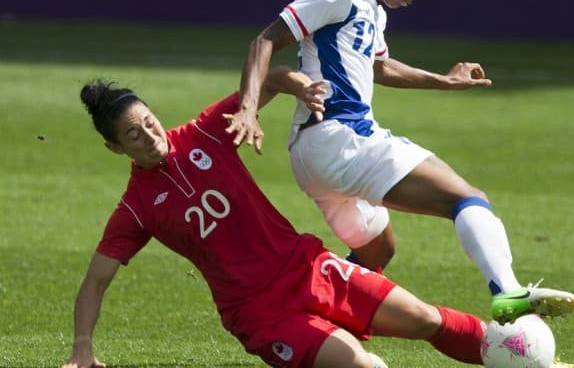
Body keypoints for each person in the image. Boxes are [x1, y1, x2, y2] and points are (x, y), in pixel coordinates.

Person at [227, 0, 574, 325]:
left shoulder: (372, 9)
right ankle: (507, 291)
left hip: (315, 153)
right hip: (341, 137)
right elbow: (266, 39)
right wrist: (248, 108)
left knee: (377, 251)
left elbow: (380, 67)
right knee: (467, 198)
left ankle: (312, 322)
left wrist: (444, 81)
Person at [62, 77, 492, 368]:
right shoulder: (136, 208)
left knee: (425, 319)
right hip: (260, 313)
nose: (150, 136)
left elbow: (271, 79)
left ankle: (517, 353)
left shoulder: (205, 133)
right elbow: (95, 281)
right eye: (133, 135)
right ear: (115, 148)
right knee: (360, 365)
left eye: (149, 122)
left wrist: (301, 89)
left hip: (307, 267)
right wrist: (82, 347)